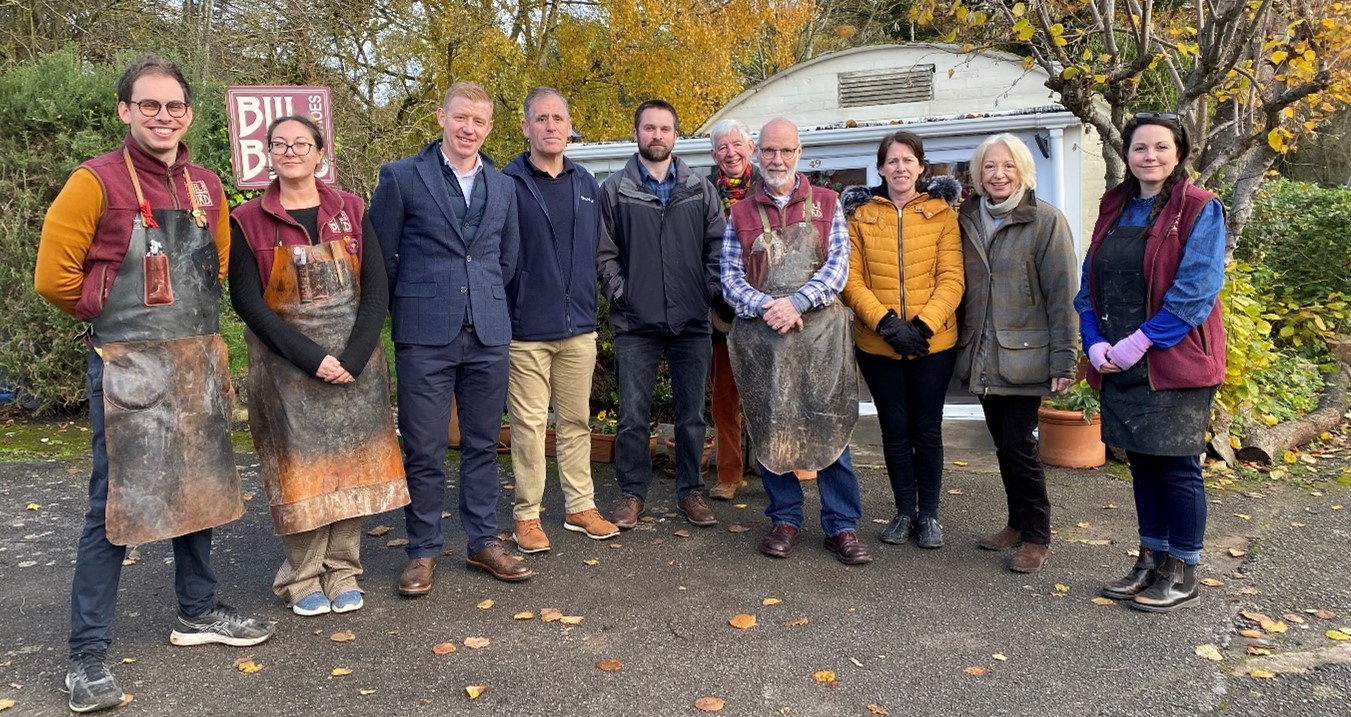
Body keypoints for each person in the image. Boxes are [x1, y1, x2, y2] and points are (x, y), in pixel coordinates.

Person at [34, 55, 273, 713]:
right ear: (125, 110)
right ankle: (86, 657)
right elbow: (53, 278)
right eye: (149, 105)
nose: (163, 116)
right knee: (114, 506)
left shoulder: (207, 186)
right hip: (128, 365)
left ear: (188, 114)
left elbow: (216, 264)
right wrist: (107, 315)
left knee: (198, 489)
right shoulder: (94, 182)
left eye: (174, 106)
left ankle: (198, 611)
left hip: (195, 360)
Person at [229, 115, 410, 615]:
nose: (290, 152)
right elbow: (247, 301)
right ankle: (303, 577)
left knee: (351, 468)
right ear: (268, 154)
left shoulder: (350, 209)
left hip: (356, 367)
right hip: (287, 371)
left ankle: (343, 570)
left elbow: (376, 287)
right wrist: (313, 359)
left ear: (319, 153)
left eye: (301, 144)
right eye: (280, 144)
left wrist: (353, 357)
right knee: (300, 475)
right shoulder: (247, 219)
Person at [370, 81, 531, 595]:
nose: (469, 128)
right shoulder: (401, 177)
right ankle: (422, 550)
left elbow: (507, 260)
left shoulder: (503, 186)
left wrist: (482, 298)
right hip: (424, 332)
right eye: (461, 117)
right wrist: (407, 307)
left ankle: (483, 542)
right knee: (424, 447)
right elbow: (380, 257)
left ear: (490, 128)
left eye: (479, 121)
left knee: (483, 444)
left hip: (488, 330)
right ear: (442, 117)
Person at [1077, 113, 1227, 612]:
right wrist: (1094, 342)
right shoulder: (1115, 205)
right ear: (1127, 154)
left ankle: (1182, 569)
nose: (1150, 156)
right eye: (1140, 147)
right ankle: (1151, 558)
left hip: (1175, 359)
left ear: (1179, 153)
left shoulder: (1200, 208)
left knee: (1177, 466)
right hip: (1119, 360)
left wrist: (1139, 342)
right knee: (1141, 463)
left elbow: (1194, 293)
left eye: (1161, 147)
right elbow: (1089, 284)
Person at [722, 117, 871, 565]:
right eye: (769, 150)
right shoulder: (740, 213)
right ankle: (784, 520)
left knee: (829, 423)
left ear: (799, 153)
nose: (777, 159)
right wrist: (767, 306)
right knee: (772, 425)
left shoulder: (827, 203)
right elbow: (729, 278)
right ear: (756, 154)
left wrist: (796, 304)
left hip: (821, 339)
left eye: (786, 150)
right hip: (764, 340)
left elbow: (838, 267)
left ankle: (841, 526)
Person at [597, 99, 725, 530]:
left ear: (676, 135)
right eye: (649, 128)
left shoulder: (699, 188)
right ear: (636, 133)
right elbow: (604, 253)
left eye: (664, 128)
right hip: (635, 322)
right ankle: (632, 494)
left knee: (691, 416)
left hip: (691, 320)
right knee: (633, 417)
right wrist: (623, 295)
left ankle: (690, 492)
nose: (657, 135)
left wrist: (706, 294)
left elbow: (718, 249)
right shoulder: (615, 189)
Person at [501, 88, 619, 552]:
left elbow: (598, 249)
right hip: (526, 330)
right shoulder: (507, 183)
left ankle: (580, 507)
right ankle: (527, 515)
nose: (551, 126)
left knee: (576, 422)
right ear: (526, 127)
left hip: (579, 327)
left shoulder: (586, 182)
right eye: (541, 119)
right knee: (529, 428)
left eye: (558, 119)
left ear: (570, 127)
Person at [954, 133, 1077, 573]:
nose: (998, 174)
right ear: (977, 174)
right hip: (983, 354)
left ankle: (1037, 535)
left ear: (1023, 170)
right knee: (1004, 445)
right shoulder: (967, 217)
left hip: (1025, 355)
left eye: (1007, 165)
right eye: (989, 166)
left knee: (1019, 445)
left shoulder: (1046, 221)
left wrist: (1065, 358)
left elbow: (1064, 294)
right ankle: (1016, 523)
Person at [840, 131, 963, 550]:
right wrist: (888, 325)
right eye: (892, 160)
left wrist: (922, 327)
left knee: (926, 429)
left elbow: (952, 278)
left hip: (934, 344)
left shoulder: (942, 214)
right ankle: (904, 511)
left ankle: (929, 515)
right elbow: (851, 280)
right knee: (894, 429)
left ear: (921, 167)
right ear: (880, 168)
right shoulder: (860, 216)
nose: (900, 168)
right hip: (878, 344)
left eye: (908, 160)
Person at [705, 119, 757, 500]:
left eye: (737, 144)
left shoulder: (769, 187)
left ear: (751, 148)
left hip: (766, 310)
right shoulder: (703, 192)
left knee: (771, 394)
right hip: (721, 312)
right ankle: (729, 473)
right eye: (723, 147)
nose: (731, 152)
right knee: (725, 397)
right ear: (713, 155)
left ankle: (779, 470)